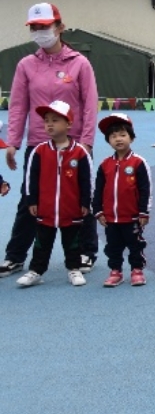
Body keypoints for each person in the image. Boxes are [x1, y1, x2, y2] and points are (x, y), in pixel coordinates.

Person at [0, 2, 99, 279]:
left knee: (81, 197)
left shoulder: (79, 63)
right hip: (39, 144)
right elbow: (18, 106)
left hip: (74, 144)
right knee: (29, 198)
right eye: (34, 27)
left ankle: (86, 252)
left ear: (59, 27)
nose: (39, 32)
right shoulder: (26, 65)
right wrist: (13, 142)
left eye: (44, 26)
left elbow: (90, 104)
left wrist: (87, 142)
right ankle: (15, 256)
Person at [15, 101, 92, 288]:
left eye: (55, 120)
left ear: (69, 124)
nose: (49, 124)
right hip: (46, 209)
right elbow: (31, 178)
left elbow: (87, 180)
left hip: (71, 209)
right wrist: (31, 200)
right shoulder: (39, 151)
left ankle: (74, 269)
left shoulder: (79, 152)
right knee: (41, 242)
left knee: (72, 242)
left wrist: (85, 202)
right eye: (46, 120)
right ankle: (36, 271)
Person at [92, 114, 151, 288]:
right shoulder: (105, 165)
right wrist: (98, 210)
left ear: (131, 138)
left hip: (132, 216)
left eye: (123, 135)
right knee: (113, 246)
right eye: (113, 136)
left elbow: (145, 189)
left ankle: (137, 270)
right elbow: (98, 190)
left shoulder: (138, 163)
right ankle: (115, 271)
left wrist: (144, 211)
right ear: (108, 141)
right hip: (111, 217)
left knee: (135, 244)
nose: (118, 139)